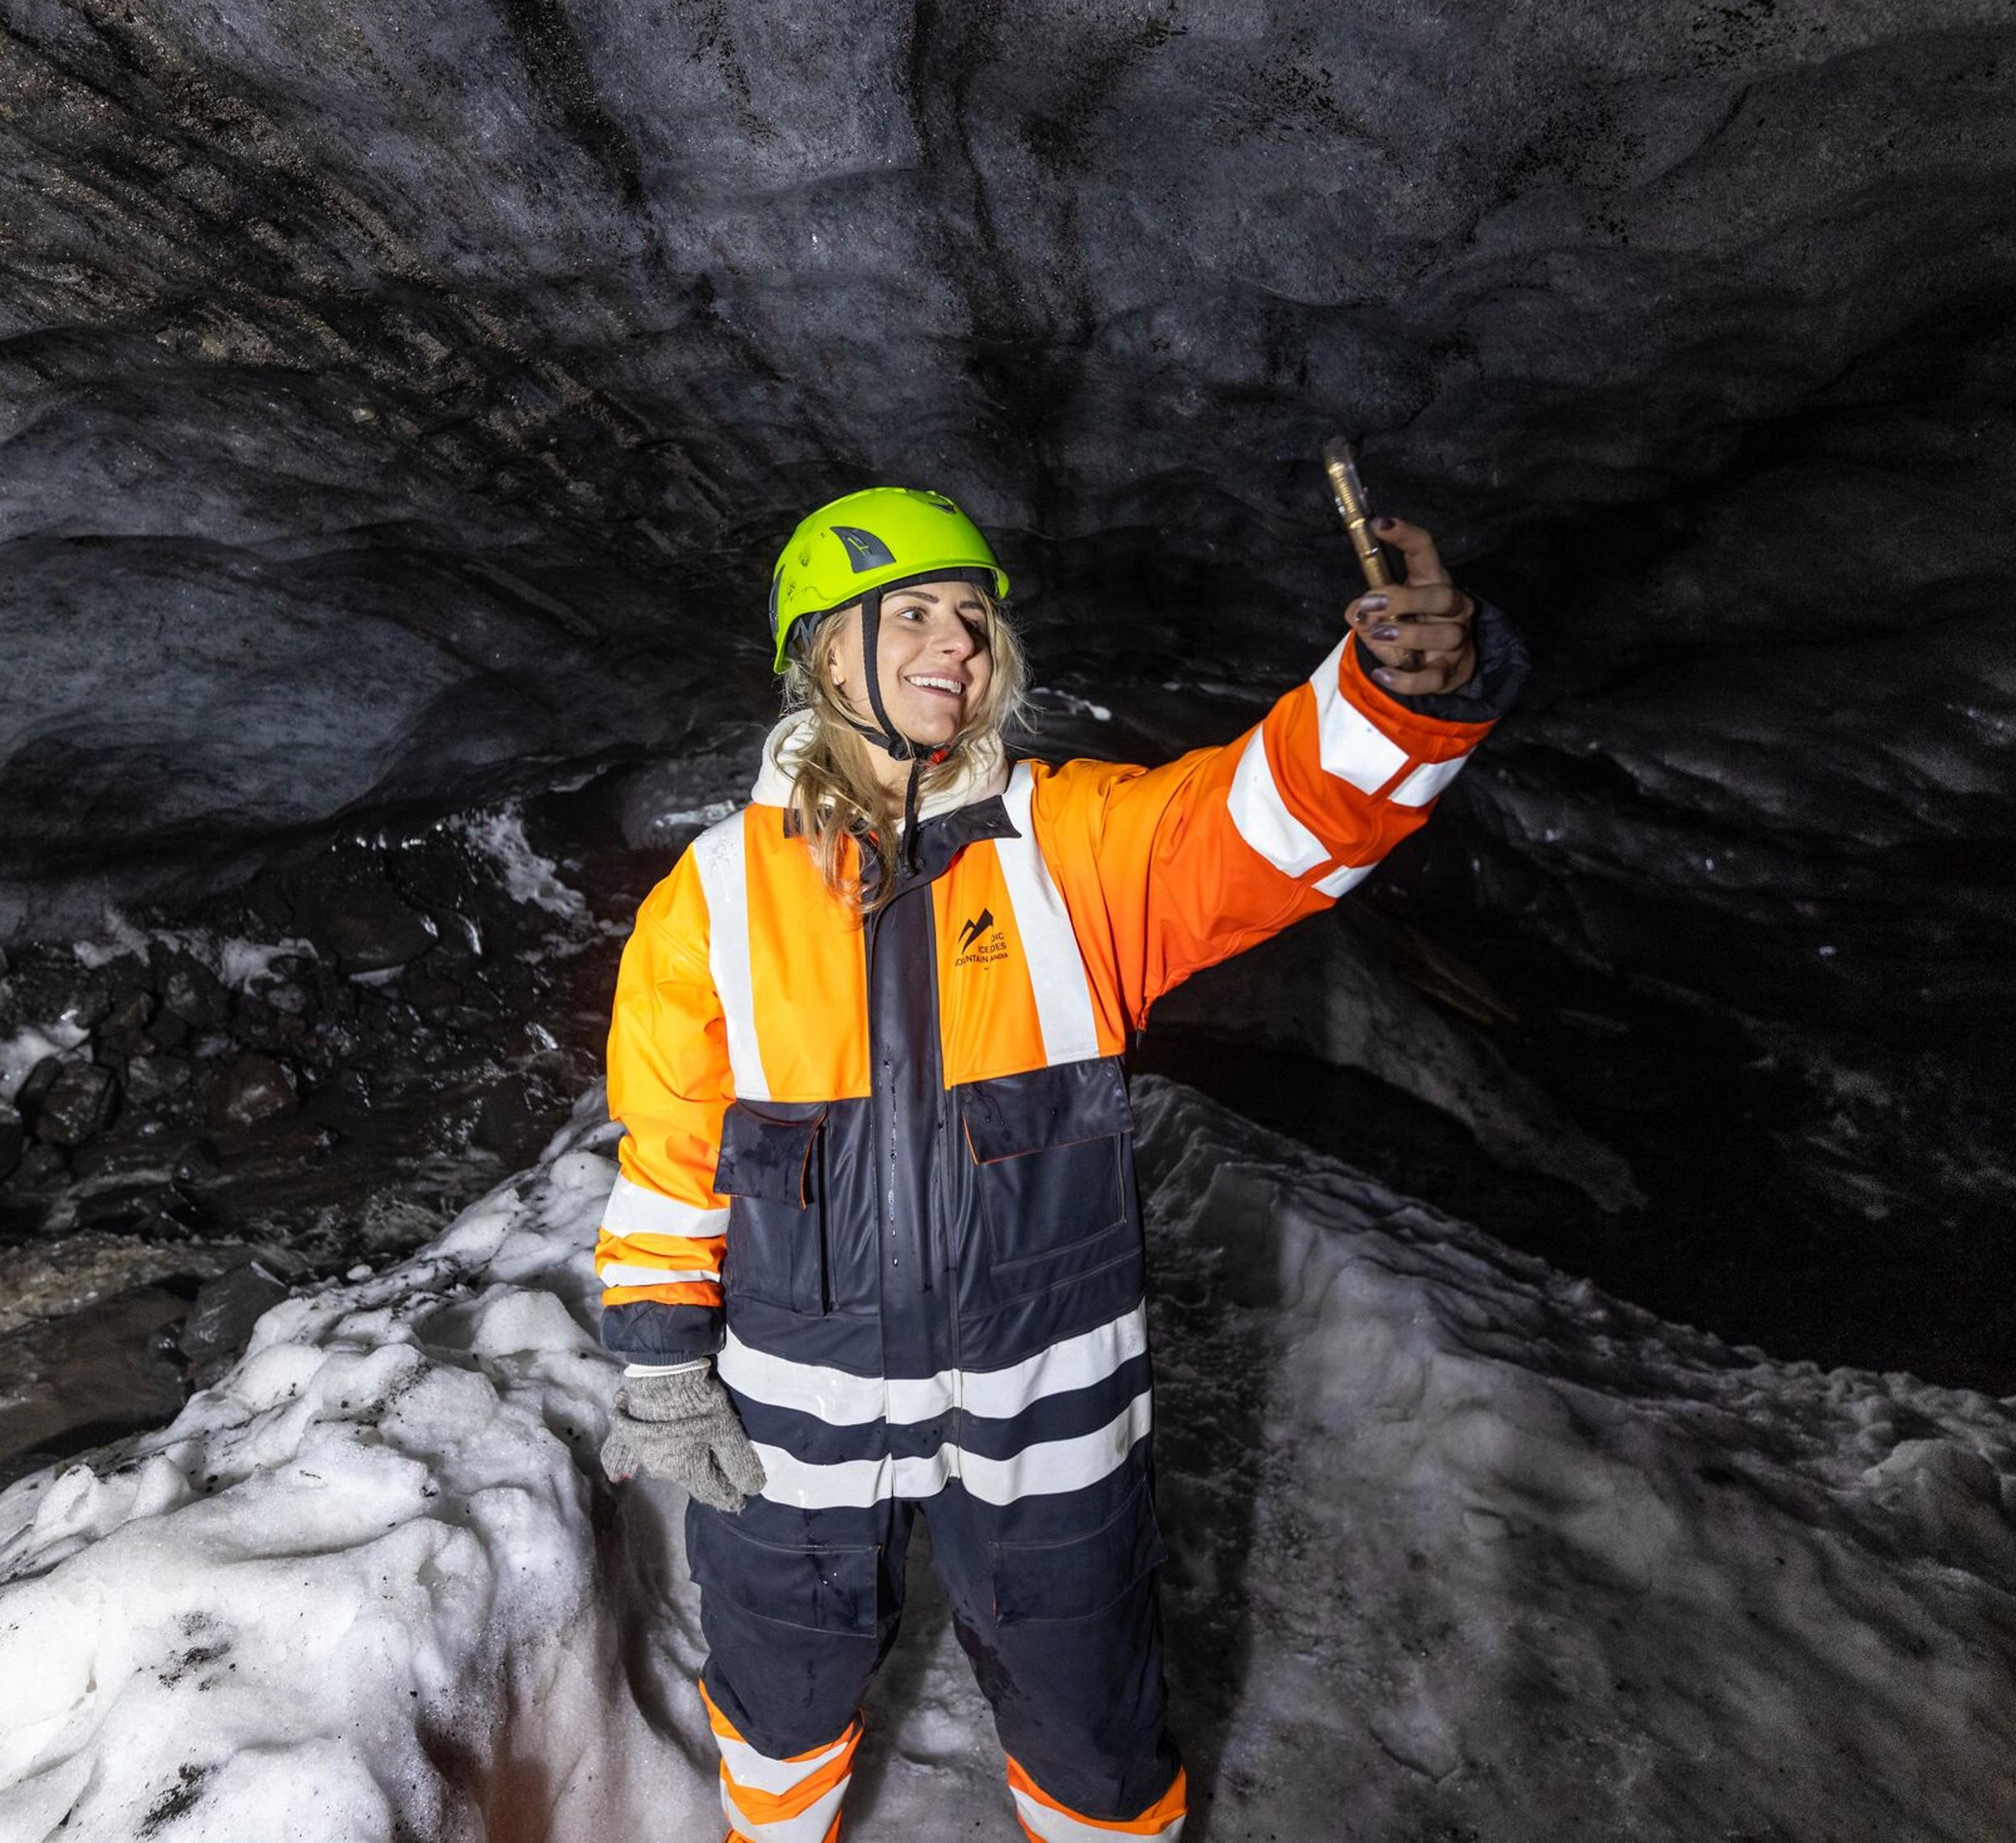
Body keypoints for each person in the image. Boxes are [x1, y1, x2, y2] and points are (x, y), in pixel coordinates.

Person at [594, 486, 1522, 1841]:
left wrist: (1392, 692)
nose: (954, 643)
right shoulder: (715, 895)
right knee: (781, 1708)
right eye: (910, 611)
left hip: (1047, 1405)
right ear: (820, 649)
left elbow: (1269, 819)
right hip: (800, 1407)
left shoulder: (1072, 848)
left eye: (972, 619)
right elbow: (670, 1150)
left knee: (1096, 1733)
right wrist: (667, 1361)